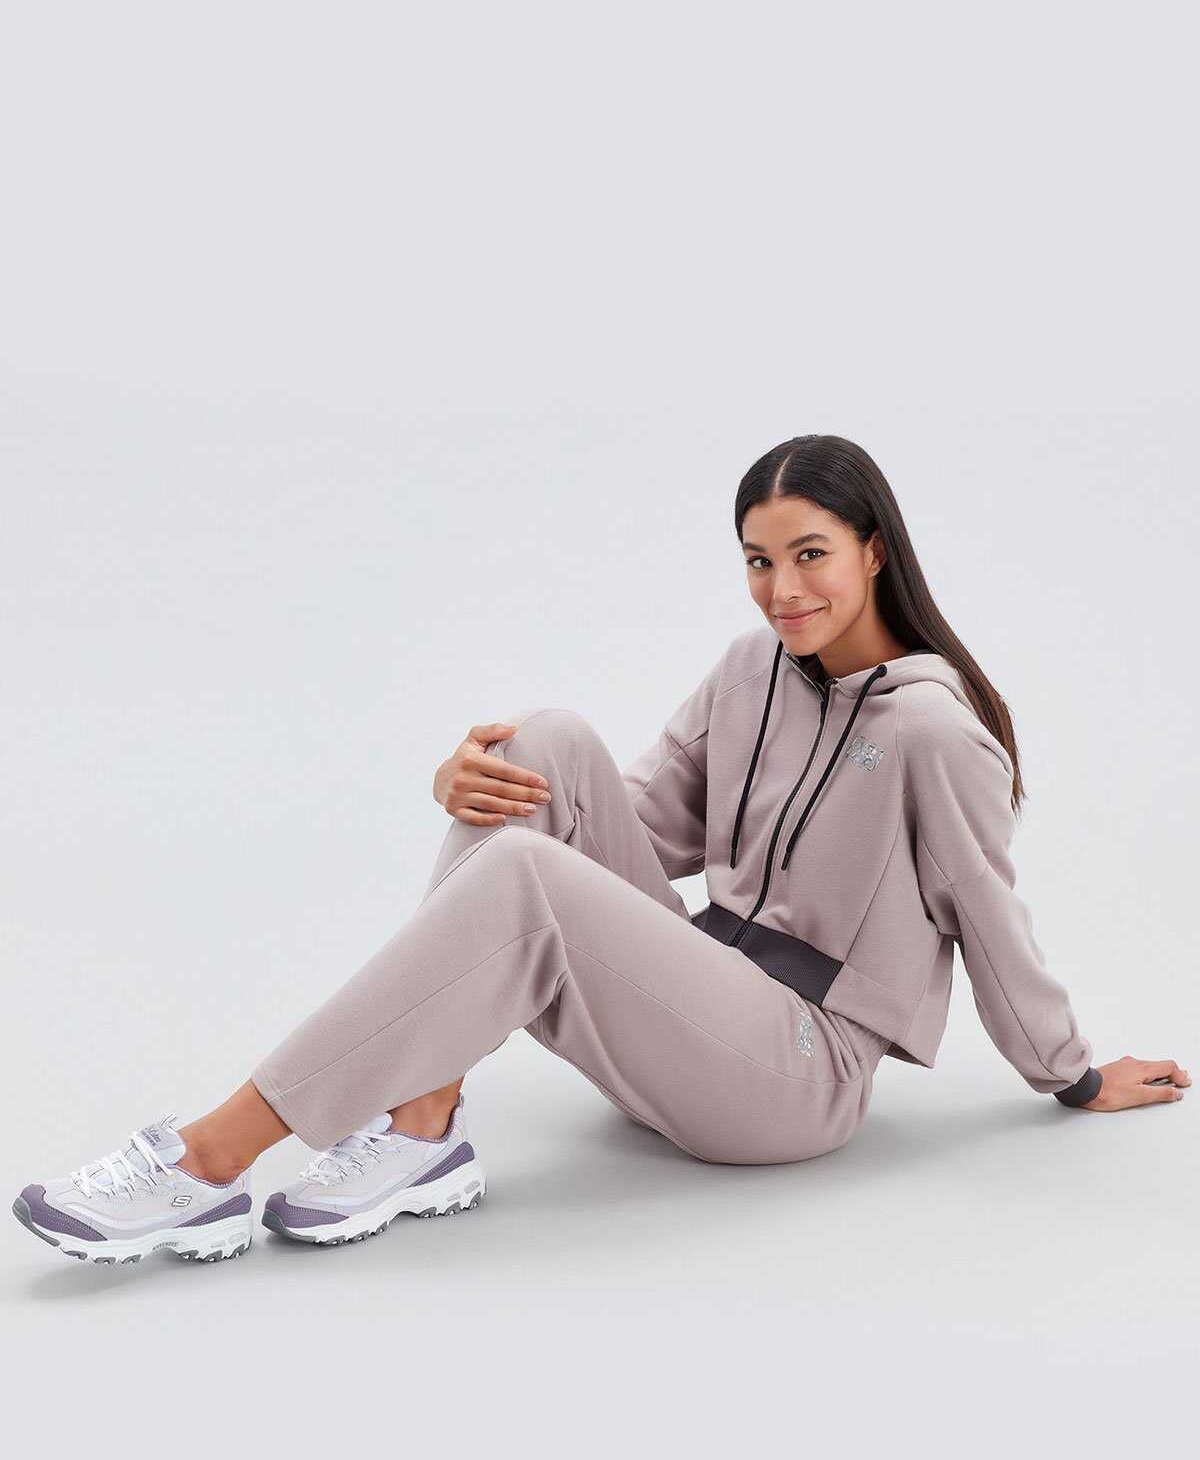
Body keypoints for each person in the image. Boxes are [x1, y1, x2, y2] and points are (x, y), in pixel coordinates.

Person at [13, 434, 1188, 1266]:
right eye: (759, 559)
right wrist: (463, 788)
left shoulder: (935, 732)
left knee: (528, 874)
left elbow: (990, 915)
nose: (781, 590)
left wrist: (1072, 1073)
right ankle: (422, 1129)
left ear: (875, 551)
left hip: (796, 1075)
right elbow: (634, 822)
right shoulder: (751, 672)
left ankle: (207, 1162)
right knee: (541, 742)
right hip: (697, 1004)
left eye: (811, 554)